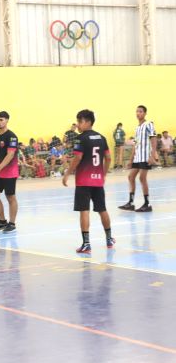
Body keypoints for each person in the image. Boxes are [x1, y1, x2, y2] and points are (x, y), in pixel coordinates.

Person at [62, 109, 115, 254]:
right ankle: (109, 239)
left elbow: (77, 158)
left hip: (83, 181)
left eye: (80, 121)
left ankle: (86, 244)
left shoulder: (81, 138)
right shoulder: (102, 138)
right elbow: (108, 158)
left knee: (84, 210)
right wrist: (103, 174)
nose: (78, 125)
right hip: (98, 181)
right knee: (102, 209)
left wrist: (67, 174)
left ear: (87, 122)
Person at [119, 105, 158, 212]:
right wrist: (131, 159)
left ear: (145, 113)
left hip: (145, 156)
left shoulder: (148, 124)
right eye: (137, 111)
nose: (138, 113)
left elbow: (154, 139)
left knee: (142, 178)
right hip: (137, 157)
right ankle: (131, 203)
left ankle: (147, 204)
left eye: (140, 111)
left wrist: (152, 155)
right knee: (131, 177)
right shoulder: (137, 128)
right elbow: (135, 144)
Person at [0, 111, 19, 233]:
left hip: (9, 172)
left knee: (10, 197)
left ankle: (12, 223)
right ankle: (2, 222)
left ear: (7, 121)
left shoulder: (11, 136)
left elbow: (10, 154)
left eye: (1, 120)